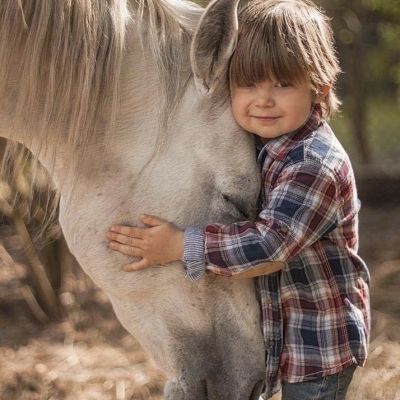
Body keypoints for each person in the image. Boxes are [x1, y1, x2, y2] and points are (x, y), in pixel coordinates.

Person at [106, 0, 370, 398]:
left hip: (319, 345)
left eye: (281, 84)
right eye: (247, 84)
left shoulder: (313, 165)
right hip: (288, 338)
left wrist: (182, 245)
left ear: (319, 88)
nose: (262, 99)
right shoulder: (267, 143)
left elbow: (269, 246)